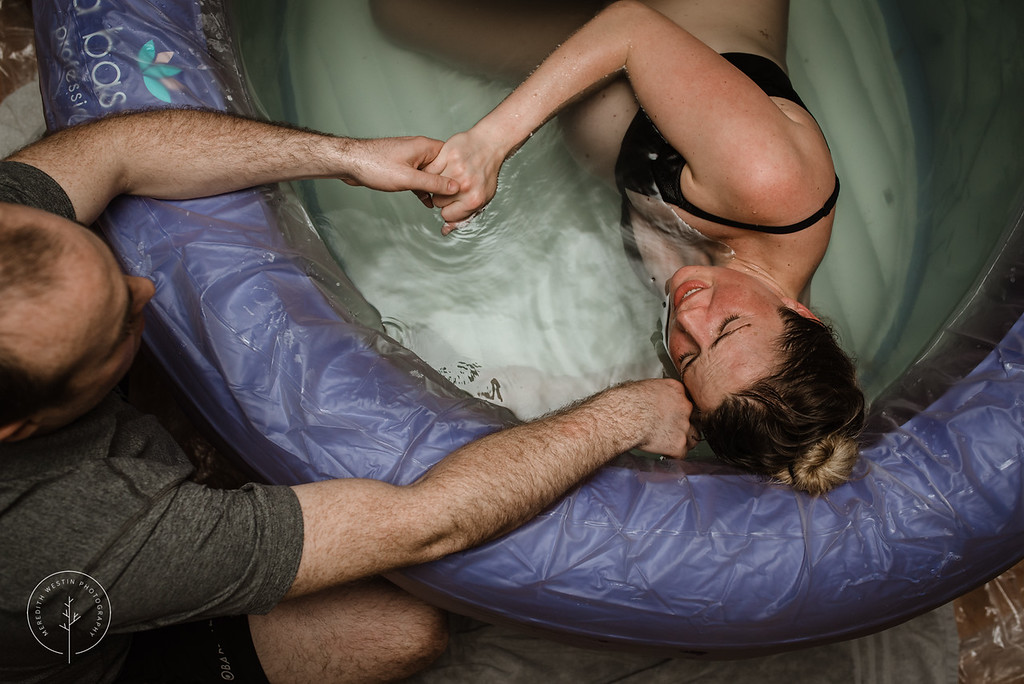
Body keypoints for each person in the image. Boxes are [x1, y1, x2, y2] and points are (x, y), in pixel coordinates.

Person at [0, 108, 695, 683]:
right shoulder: (72, 536)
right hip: (81, 648)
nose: (143, 289)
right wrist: (626, 412)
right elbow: (428, 520)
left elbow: (118, 151)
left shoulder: (13, 252)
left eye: (113, 274)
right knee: (399, 631)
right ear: (19, 428)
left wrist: (345, 155)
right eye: (119, 320)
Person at [373, 0, 866, 494]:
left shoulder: (733, 348)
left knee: (397, 17)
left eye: (690, 358)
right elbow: (631, 28)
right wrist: (489, 144)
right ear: (802, 313)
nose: (689, 317)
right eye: (728, 326)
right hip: (640, 20)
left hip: (581, 36)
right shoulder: (772, 183)